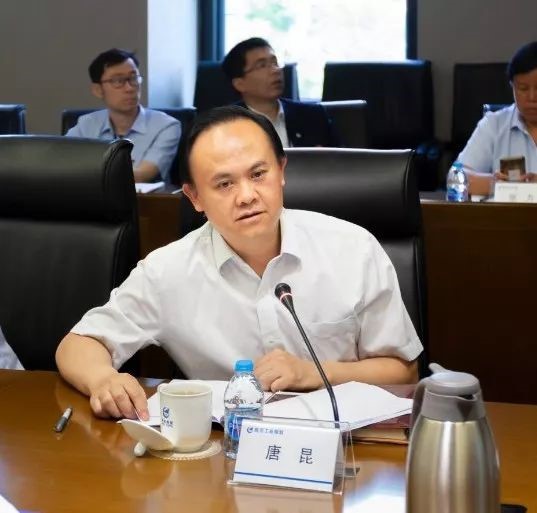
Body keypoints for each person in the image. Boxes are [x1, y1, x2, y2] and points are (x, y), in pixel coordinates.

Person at [56, 105, 422, 420]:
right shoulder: (168, 270)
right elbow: (78, 344)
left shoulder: (353, 248)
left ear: (282, 171)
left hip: (346, 446)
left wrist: (310, 373)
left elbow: (403, 372)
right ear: (195, 198)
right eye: (224, 184)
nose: (247, 196)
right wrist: (103, 379)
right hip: (225, 450)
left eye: (258, 174)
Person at [65, 48, 181, 184]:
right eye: (117, 81)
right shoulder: (86, 124)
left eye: (133, 78)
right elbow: (61, 162)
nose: (129, 88)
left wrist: (85, 172)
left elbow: (143, 175)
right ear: (98, 90)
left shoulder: (166, 126)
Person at [222, 37, 338, 147]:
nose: (275, 70)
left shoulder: (313, 116)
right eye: (262, 65)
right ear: (240, 84)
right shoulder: (224, 126)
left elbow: (341, 159)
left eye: (275, 63)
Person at [457, 41, 537, 195]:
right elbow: (456, 177)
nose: (532, 97)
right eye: (523, 88)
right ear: (512, 86)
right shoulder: (494, 124)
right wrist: (495, 185)